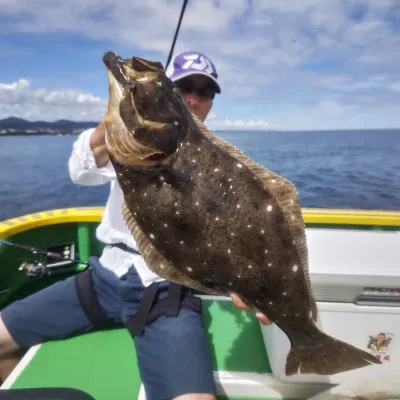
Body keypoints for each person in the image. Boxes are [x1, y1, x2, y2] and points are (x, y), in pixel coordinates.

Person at [0, 51, 270, 399]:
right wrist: (122, 116)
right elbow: (81, 168)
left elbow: (234, 228)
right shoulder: (133, 138)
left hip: (166, 290)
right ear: (168, 91)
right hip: (103, 279)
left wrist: (251, 280)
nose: (193, 98)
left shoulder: (221, 163)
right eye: (184, 86)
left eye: (205, 92)